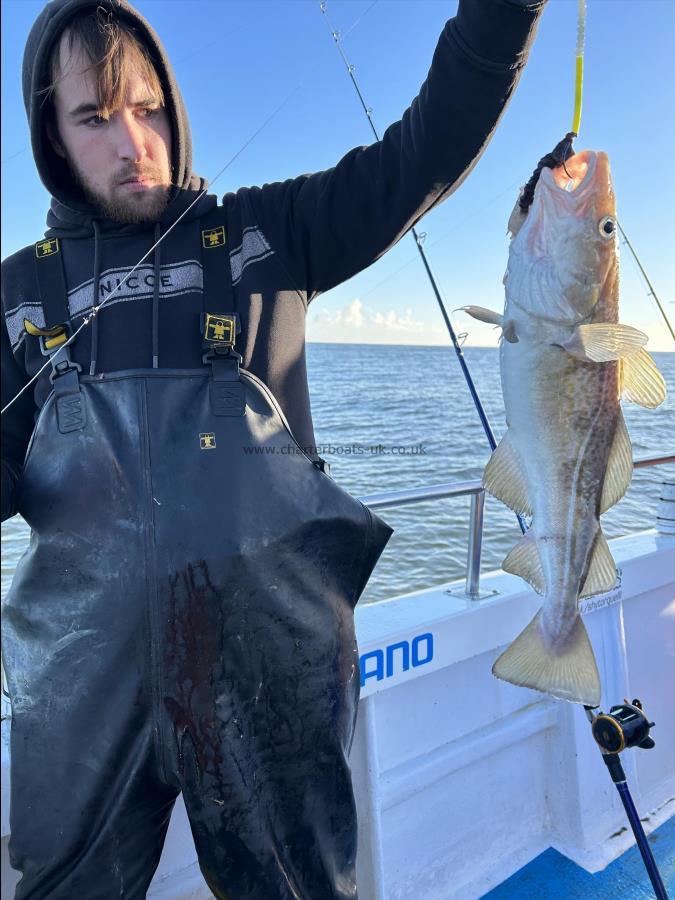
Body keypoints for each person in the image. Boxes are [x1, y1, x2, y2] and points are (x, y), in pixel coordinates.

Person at [0, 0, 546, 897]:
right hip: (78, 693)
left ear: (173, 112)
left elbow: (430, 144)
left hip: (270, 687)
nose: (131, 139)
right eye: (94, 117)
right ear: (52, 136)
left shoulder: (267, 236)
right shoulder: (18, 293)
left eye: (146, 109)